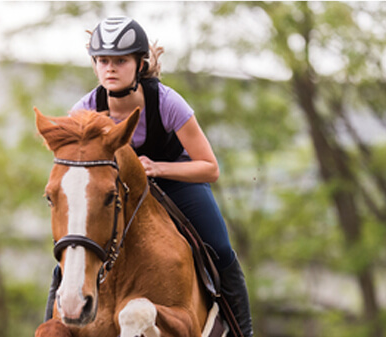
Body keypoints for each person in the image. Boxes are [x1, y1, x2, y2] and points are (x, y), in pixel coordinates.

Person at [44, 16, 253, 337]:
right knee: (72, 253)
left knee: (220, 248)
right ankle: (56, 317)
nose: (110, 68)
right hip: (115, 190)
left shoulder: (168, 102)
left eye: (120, 61)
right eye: (102, 61)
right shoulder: (84, 109)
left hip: (176, 181)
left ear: (140, 64)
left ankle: (243, 331)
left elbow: (210, 167)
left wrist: (158, 168)